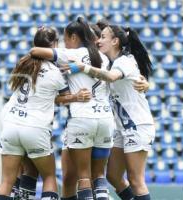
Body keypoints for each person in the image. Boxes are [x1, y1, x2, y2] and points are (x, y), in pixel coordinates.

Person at [0, 27, 91, 200]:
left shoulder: (22, 62)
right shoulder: (55, 72)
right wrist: (77, 96)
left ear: (35, 43)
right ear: (53, 45)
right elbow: (63, 97)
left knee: (6, 182)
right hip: (35, 127)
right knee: (48, 177)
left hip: (10, 124)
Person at [65, 25, 155, 200]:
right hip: (122, 127)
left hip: (137, 125)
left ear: (115, 41)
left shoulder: (124, 61)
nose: (98, 41)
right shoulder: (111, 62)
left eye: (103, 37)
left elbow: (111, 77)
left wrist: (83, 67)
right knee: (113, 176)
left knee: (136, 180)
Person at [30, 17, 114, 200]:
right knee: (99, 177)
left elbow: (35, 51)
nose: (65, 43)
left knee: (83, 177)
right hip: (106, 120)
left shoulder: (70, 54)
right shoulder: (104, 58)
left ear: (74, 37)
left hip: (82, 119)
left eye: (66, 38)